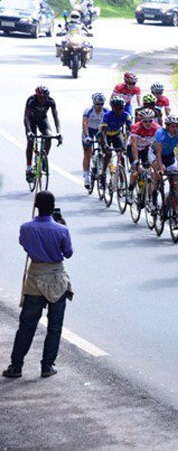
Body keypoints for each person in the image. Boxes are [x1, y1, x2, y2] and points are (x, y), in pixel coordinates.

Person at [3, 191, 73, 379]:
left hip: (35, 279)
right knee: (54, 326)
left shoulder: (26, 228)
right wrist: (63, 225)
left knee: (27, 325)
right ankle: (47, 366)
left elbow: (25, 246)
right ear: (53, 207)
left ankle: (16, 366)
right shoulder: (61, 229)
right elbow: (68, 253)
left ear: (35, 206)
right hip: (57, 280)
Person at [24, 86, 62, 183]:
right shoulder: (31, 100)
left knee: (49, 136)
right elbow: (26, 117)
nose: (43, 99)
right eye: (41, 97)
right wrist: (29, 131)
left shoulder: (50, 101)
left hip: (42, 120)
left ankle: (43, 159)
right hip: (31, 121)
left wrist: (59, 132)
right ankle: (28, 168)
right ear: (37, 96)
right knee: (30, 142)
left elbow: (55, 117)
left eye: (45, 97)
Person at [127, 109, 160, 204]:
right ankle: (130, 191)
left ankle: (150, 197)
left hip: (146, 148)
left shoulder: (157, 128)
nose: (148, 123)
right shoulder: (136, 127)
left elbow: (158, 145)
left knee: (151, 171)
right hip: (134, 148)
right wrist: (136, 162)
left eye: (150, 121)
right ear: (141, 120)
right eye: (145, 121)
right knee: (135, 170)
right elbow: (134, 145)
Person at [100, 96, 132, 181]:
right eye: (116, 108)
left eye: (120, 108)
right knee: (108, 154)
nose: (118, 110)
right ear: (112, 108)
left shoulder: (126, 115)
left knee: (121, 155)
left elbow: (131, 131)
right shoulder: (108, 115)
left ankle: (122, 177)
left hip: (116, 134)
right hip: (105, 135)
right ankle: (103, 173)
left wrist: (127, 144)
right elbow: (103, 132)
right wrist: (105, 145)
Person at [81, 93, 108, 188]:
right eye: (97, 104)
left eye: (102, 104)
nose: (100, 106)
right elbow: (85, 124)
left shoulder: (106, 111)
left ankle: (101, 168)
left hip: (99, 130)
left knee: (104, 149)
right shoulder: (88, 111)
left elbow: (108, 125)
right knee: (88, 152)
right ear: (93, 103)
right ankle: (86, 176)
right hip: (89, 130)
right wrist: (87, 136)